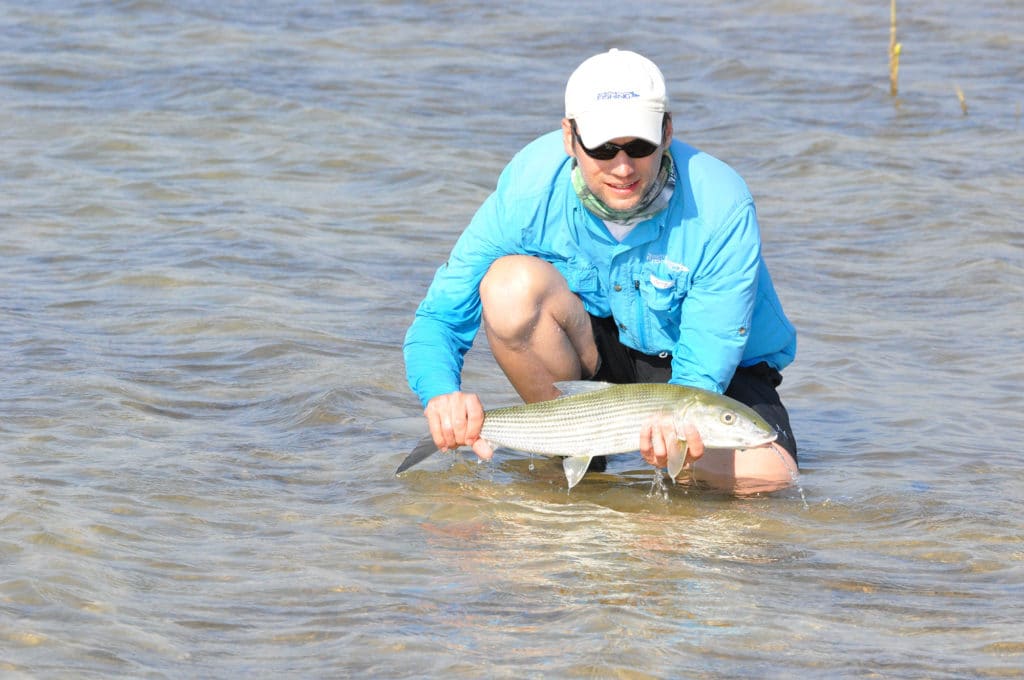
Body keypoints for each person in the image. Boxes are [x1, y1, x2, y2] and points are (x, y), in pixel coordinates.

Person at [403, 48, 798, 491]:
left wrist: (675, 441)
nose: (623, 167)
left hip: (708, 372)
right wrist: (442, 396)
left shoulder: (721, 203)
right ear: (569, 137)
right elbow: (440, 315)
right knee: (508, 287)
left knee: (771, 478)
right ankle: (579, 461)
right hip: (600, 350)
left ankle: (673, 485)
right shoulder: (530, 186)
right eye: (603, 148)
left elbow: (706, 364)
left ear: (667, 132)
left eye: (639, 146)